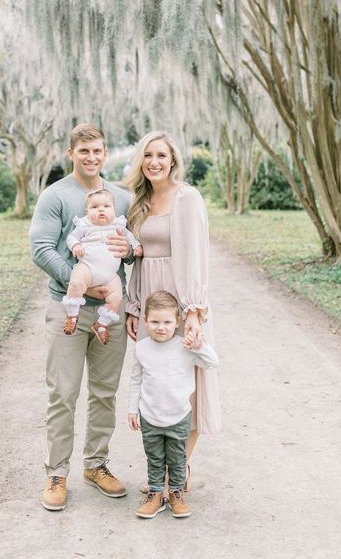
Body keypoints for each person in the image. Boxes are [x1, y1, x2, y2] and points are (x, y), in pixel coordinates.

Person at [29, 123, 134, 511]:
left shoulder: (121, 198)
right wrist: (79, 283)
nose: (92, 157)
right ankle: (56, 473)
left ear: (106, 154)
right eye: (84, 151)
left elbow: (130, 248)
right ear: (71, 153)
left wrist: (127, 252)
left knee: (104, 393)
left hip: (110, 310)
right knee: (63, 392)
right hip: (67, 308)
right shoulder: (55, 196)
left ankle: (97, 465)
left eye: (98, 151)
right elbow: (41, 249)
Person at [124, 131, 221, 493]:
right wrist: (134, 307)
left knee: (188, 386)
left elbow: (196, 255)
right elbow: (139, 260)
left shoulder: (187, 198)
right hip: (151, 302)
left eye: (161, 155)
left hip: (181, 301)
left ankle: (177, 471)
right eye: (148, 155)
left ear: (173, 160)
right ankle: (162, 470)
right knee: (158, 383)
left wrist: (194, 311)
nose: (154, 162)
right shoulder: (140, 201)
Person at [128, 291, 219, 519]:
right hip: (150, 416)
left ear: (177, 322)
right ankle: (156, 494)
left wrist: (199, 346)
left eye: (168, 322)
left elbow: (212, 362)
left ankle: (176, 493)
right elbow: (136, 380)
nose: (161, 327)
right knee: (155, 458)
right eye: (155, 322)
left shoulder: (184, 346)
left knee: (178, 458)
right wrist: (132, 409)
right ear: (146, 320)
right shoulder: (142, 348)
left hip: (178, 416)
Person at [62, 188, 142, 344]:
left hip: (110, 275)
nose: (101, 210)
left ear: (114, 209)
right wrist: (76, 245)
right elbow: (72, 237)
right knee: (76, 282)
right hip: (87, 267)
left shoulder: (118, 225)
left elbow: (130, 237)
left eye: (106, 206)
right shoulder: (85, 225)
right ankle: (72, 315)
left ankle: (102, 324)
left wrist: (136, 245)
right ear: (87, 211)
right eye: (94, 207)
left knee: (116, 297)